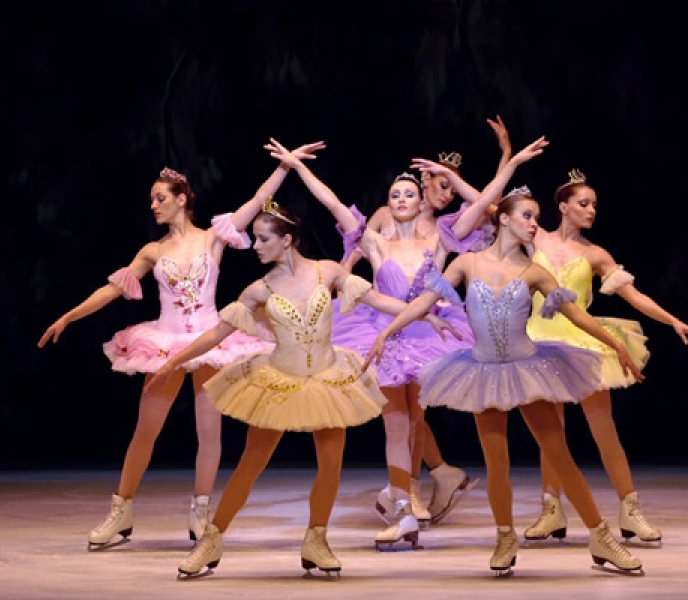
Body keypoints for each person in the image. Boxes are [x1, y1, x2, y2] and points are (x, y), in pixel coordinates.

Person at [362, 143, 646, 574]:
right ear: (505, 220)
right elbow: (422, 302)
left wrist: (618, 344)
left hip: (528, 367)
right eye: (527, 216)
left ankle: (601, 537)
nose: (535, 224)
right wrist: (386, 330)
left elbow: (575, 314)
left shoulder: (534, 272)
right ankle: (504, 539)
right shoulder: (468, 263)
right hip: (481, 372)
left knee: (560, 454)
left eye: (535, 216)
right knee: (497, 464)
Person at [144, 195, 460, 576]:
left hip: (328, 380)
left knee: (330, 467)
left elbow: (379, 300)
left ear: (287, 239)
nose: (255, 246)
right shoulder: (258, 290)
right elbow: (216, 333)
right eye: (256, 239)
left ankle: (316, 539)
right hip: (279, 382)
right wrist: (174, 361)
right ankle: (213, 538)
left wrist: (425, 315)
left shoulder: (327, 271)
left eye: (263, 239)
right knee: (250, 465)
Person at [36, 151, 318, 549]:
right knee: (145, 430)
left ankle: (200, 512)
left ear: (181, 199)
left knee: (210, 432)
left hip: (209, 340)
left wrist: (285, 166)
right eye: (152, 199)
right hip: (164, 343)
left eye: (160, 198)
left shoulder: (214, 238)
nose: (153, 205)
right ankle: (122, 511)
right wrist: (68, 316)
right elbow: (113, 289)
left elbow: (256, 201)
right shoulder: (153, 251)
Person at [266, 137, 493, 548]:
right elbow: (333, 205)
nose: (403, 198)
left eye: (410, 193)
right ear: (388, 202)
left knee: (416, 422)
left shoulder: (440, 240)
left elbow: (484, 207)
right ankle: (404, 509)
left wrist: (453, 179)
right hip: (383, 337)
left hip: (428, 337)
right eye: (395, 194)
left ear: (421, 200)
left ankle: (410, 500)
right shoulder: (375, 242)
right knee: (396, 424)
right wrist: (298, 169)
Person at [522, 169, 688, 544]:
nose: (591, 211)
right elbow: (489, 204)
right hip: (539, 342)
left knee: (603, 430)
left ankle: (630, 510)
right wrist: (508, 158)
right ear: (563, 206)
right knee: (550, 433)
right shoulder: (533, 236)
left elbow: (634, 296)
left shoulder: (594, 254)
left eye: (594, 206)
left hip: (585, 343)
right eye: (583, 204)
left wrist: (672, 320)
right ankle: (550, 510)